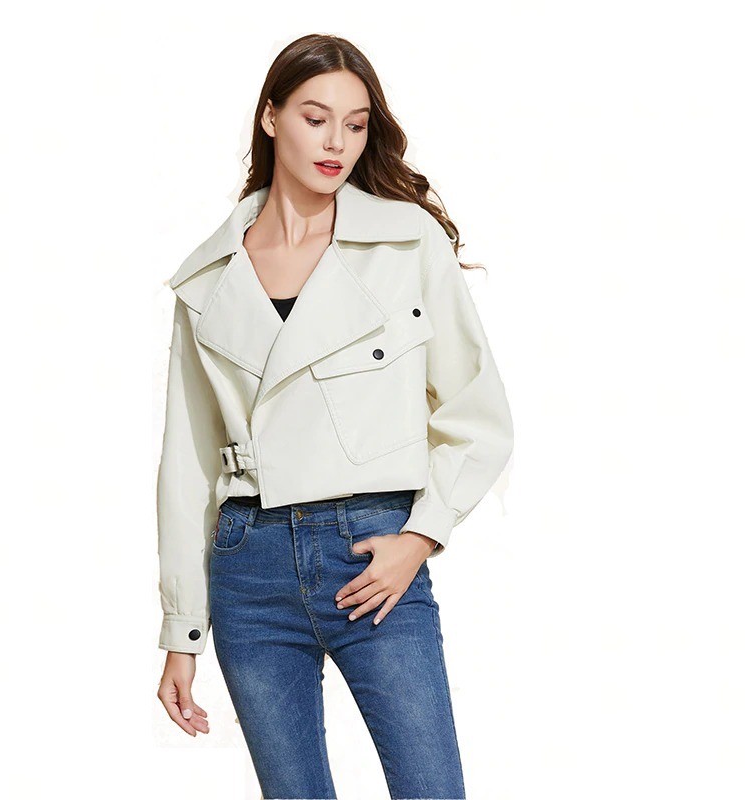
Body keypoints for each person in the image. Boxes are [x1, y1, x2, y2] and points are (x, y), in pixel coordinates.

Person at [155, 33, 514, 800]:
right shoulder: (207, 278)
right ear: (271, 117)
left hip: (373, 558)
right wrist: (182, 630)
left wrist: (420, 537)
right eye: (316, 118)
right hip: (248, 571)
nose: (336, 143)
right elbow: (186, 462)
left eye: (355, 124)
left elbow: (477, 413)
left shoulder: (405, 242)